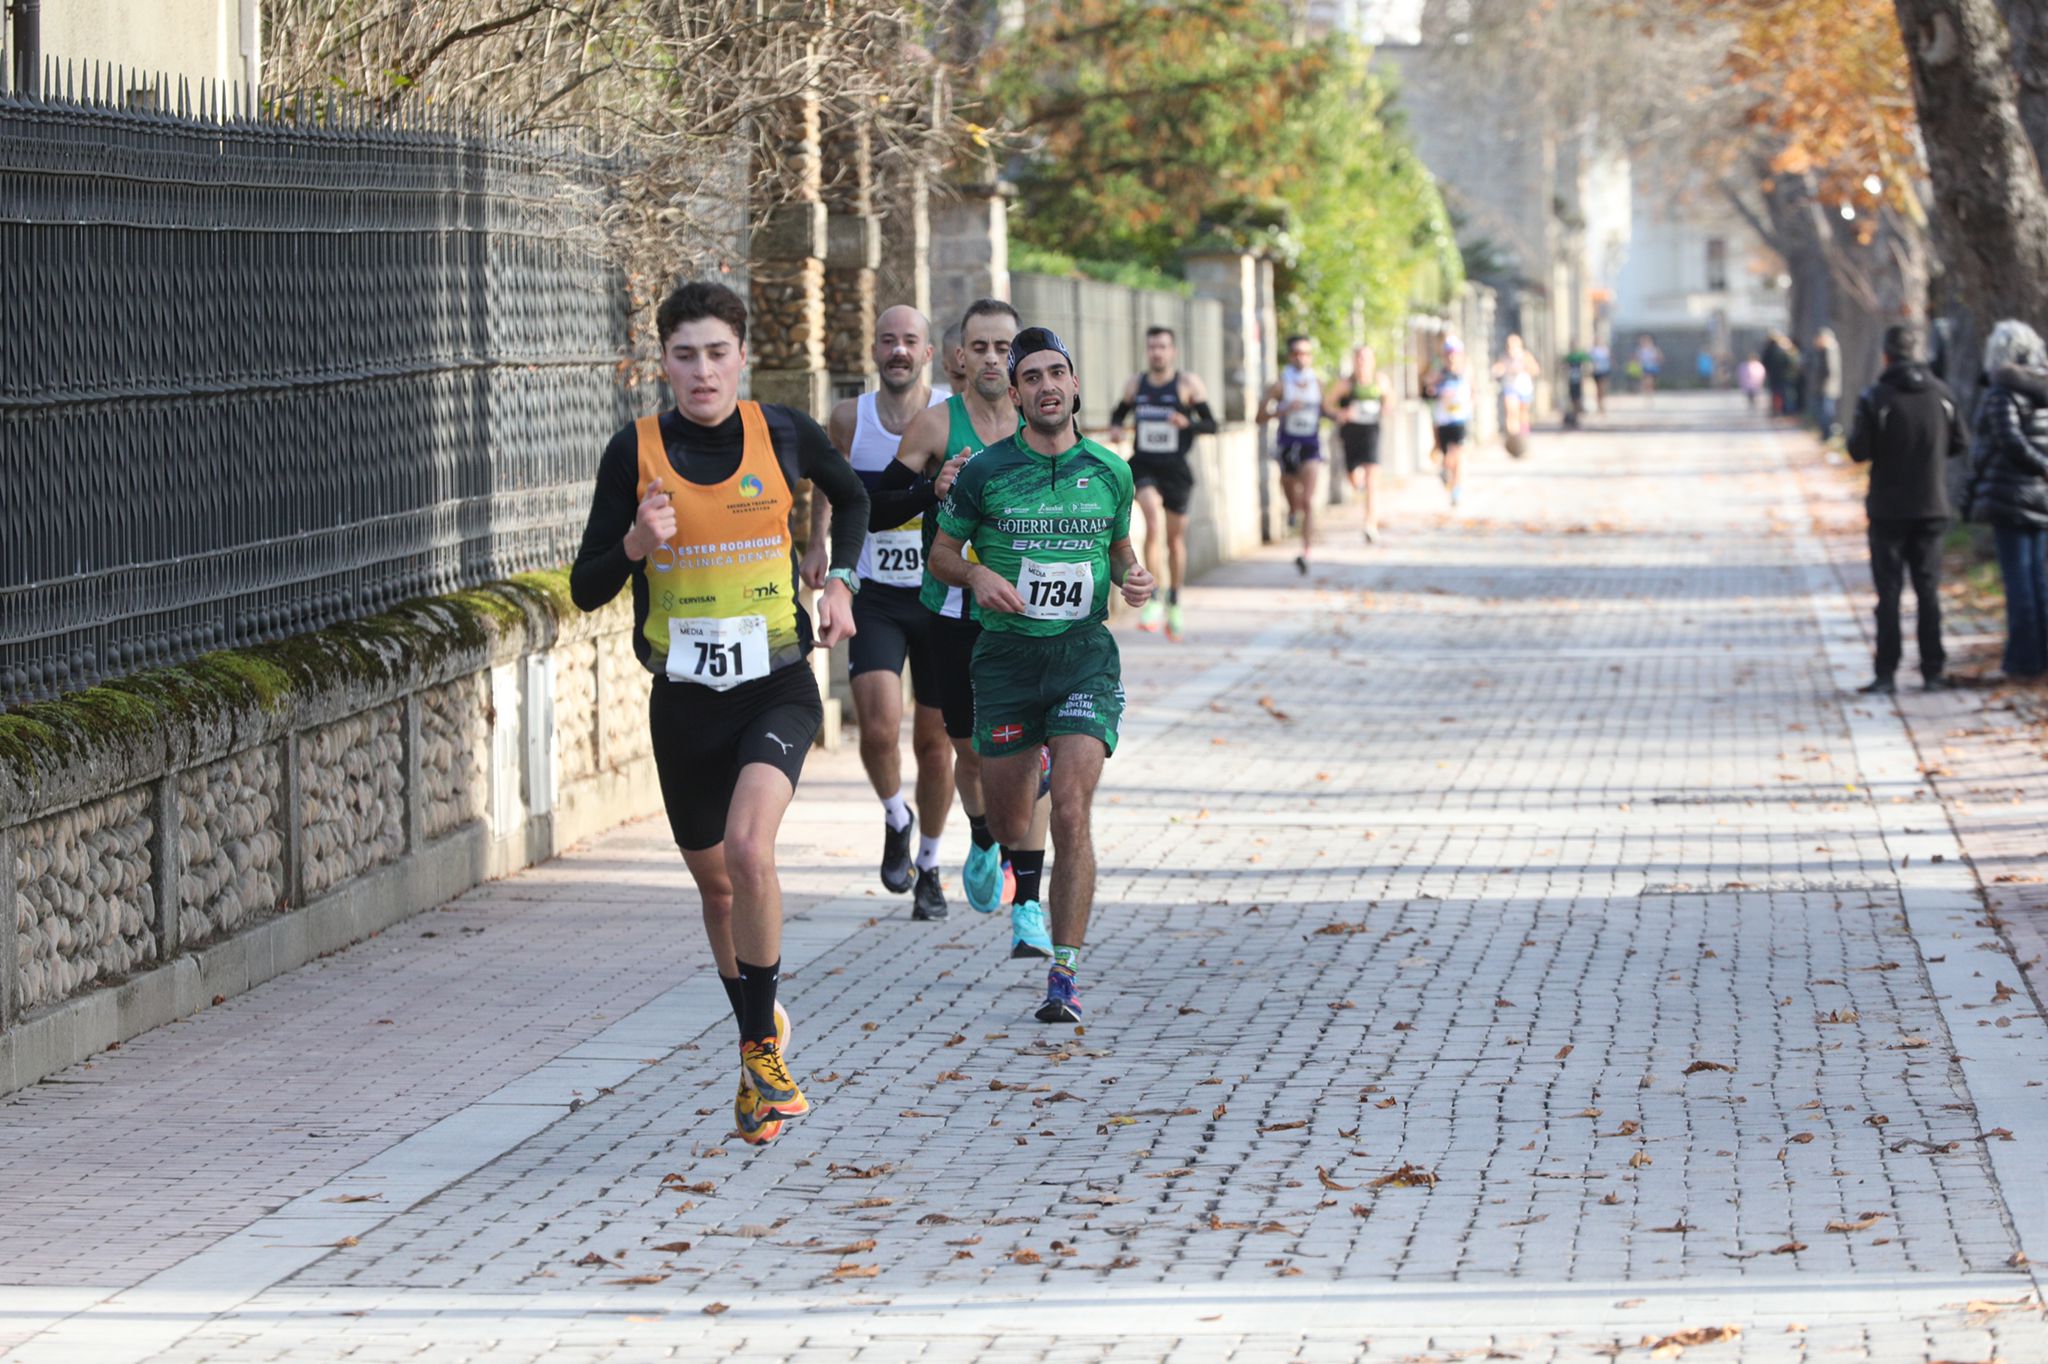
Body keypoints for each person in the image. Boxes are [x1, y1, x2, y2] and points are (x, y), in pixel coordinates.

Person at [570, 280, 869, 1145]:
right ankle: (757, 1040)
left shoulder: (782, 433)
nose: (701, 372)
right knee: (716, 886)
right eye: (683, 355)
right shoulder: (634, 452)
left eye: (716, 353)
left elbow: (851, 500)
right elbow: (588, 585)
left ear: (742, 356)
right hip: (683, 704)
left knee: (749, 849)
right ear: (660, 362)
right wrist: (635, 543)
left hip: (776, 684)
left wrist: (838, 577)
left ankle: (760, 1053)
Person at [929, 327, 1155, 1022]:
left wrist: (1134, 575)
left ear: (1076, 385)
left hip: (1083, 657)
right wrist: (976, 573)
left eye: (1057, 373)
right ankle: (1028, 784)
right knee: (1006, 817)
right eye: (1032, 377)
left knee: (1071, 813)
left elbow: (1119, 549)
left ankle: (1064, 972)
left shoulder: (1110, 471)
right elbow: (941, 554)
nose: (1046, 386)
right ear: (1017, 392)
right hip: (1005, 661)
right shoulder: (985, 472)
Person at [881, 297, 1058, 958]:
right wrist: (930, 491)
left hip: (1028, 619)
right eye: (979, 347)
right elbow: (874, 508)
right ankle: (984, 833)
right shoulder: (934, 426)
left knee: (1030, 753)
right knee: (972, 752)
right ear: (958, 357)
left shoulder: (1046, 423)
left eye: (1003, 348)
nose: (991, 359)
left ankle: (1030, 907)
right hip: (951, 614)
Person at [825, 305, 952, 919]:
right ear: (873, 351)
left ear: (929, 353)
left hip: (938, 598)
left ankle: (929, 863)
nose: (898, 350)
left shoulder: (950, 415)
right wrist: (818, 553)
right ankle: (896, 816)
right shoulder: (850, 417)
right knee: (877, 727)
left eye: (910, 341)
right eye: (887, 341)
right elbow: (833, 490)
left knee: (935, 743)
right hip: (875, 593)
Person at [1846, 323, 1967, 694]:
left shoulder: (1876, 397)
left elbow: (1857, 450)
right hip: (1932, 505)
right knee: (1928, 591)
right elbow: (1959, 443)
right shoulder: (1941, 394)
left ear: (1886, 355)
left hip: (1888, 509)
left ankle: (1886, 673)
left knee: (1890, 592)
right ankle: (1933, 671)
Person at [1108, 326, 1218, 637]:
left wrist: (1189, 423)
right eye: (1152, 347)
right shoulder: (1136, 384)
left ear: (1173, 352)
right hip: (1143, 465)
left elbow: (1212, 424)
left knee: (1174, 541)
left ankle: (1174, 600)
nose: (1157, 352)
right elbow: (1119, 413)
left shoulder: (1186, 384)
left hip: (1175, 470)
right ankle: (1154, 598)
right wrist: (1116, 427)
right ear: (1148, 351)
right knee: (1152, 521)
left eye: (1163, 347)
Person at [1965, 320, 2048, 681]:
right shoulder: (2042, 389)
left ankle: (2022, 662)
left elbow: (2007, 439)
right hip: (2041, 496)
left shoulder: (2002, 391)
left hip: (2011, 494)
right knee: (2038, 580)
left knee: (2018, 582)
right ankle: (2040, 656)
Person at [1260, 335, 1326, 574]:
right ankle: (1292, 510)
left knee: (1308, 500)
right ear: (1290, 356)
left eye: (1306, 353)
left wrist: (1340, 414)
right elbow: (1259, 416)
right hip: (1287, 446)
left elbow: (1326, 409)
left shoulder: (1317, 383)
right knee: (1289, 487)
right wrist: (1282, 410)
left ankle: (1306, 551)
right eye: (1297, 353)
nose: (1301, 357)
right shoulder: (1280, 384)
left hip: (1311, 446)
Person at [1324, 345, 1387, 540]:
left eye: (1366, 358)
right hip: (1351, 434)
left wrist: (1386, 408)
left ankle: (1370, 524)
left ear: (1373, 361)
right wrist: (1340, 413)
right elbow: (1326, 405)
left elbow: (1389, 401)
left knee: (1371, 481)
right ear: (1354, 361)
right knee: (1354, 479)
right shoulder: (1345, 385)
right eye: (1359, 358)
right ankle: (1361, 494)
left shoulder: (1380, 381)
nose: (1363, 362)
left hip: (1372, 433)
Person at [1422, 337, 1472, 507]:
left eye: (1454, 354)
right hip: (1442, 419)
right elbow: (1427, 385)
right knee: (1446, 456)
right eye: (1448, 354)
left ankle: (1456, 489)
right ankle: (1447, 473)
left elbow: (1473, 391)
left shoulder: (1466, 371)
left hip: (1460, 419)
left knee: (1457, 453)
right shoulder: (1439, 372)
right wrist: (1434, 385)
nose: (1451, 358)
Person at [1492, 333, 1537, 438]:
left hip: (1524, 387)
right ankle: (1513, 436)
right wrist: (1497, 370)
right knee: (1512, 411)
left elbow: (1535, 370)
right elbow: (1499, 368)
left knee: (1523, 413)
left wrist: (1525, 367)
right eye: (1510, 346)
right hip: (1511, 387)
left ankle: (1523, 436)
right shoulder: (1505, 357)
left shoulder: (1525, 356)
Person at [1812, 327, 1843, 440]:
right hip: (1824, 387)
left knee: (1826, 413)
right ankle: (1825, 434)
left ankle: (1827, 435)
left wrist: (1822, 383)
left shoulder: (1830, 349)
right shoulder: (1824, 350)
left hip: (1827, 387)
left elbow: (1831, 369)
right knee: (1823, 412)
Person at [932, 322, 965, 401]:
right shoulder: (935, 411)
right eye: (959, 377)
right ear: (946, 368)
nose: (967, 387)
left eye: (973, 377)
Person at [1635, 333, 1663, 399]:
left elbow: (1660, 357)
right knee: (1646, 379)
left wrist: (1657, 360)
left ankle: (1650, 391)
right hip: (1645, 366)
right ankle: (1647, 392)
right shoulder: (1640, 350)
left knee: (1651, 381)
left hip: (1652, 366)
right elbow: (1637, 358)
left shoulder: (1654, 349)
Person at [1589, 339, 1612, 415]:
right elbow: (1591, 360)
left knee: (1602, 389)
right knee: (1598, 389)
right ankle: (1599, 405)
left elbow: (1609, 359)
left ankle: (1602, 405)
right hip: (1597, 371)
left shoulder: (1605, 350)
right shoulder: (1593, 350)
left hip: (1604, 371)